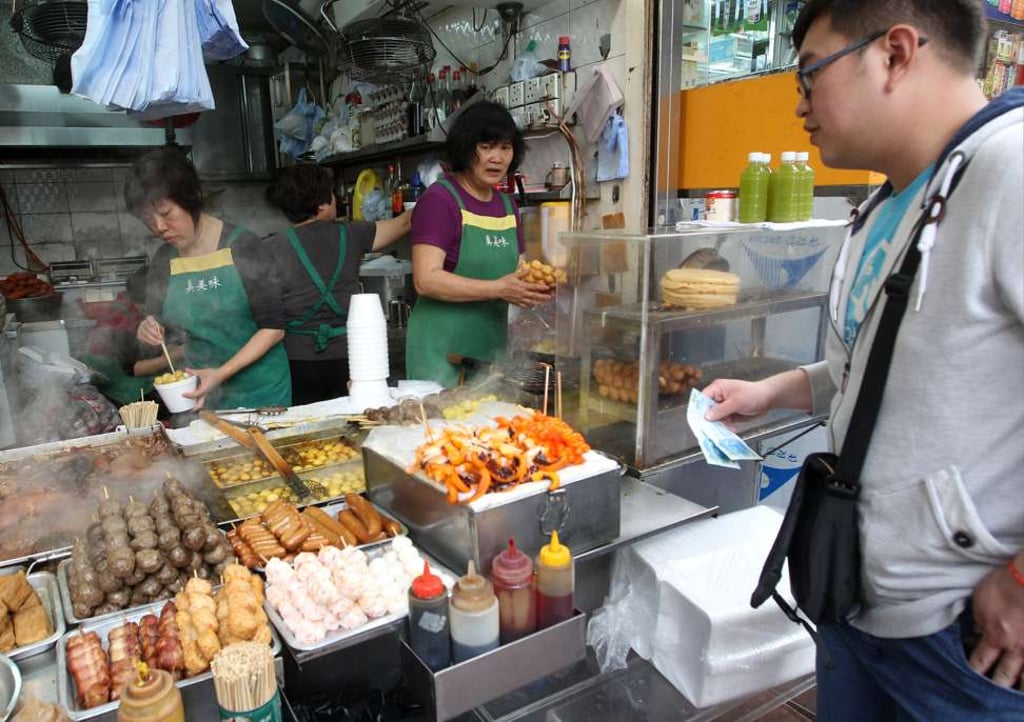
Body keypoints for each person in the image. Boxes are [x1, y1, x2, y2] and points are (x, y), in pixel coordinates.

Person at [702, 2, 1024, 718]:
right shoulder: (887, 203)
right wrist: (772, 393)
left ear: (896, 52)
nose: (798, 106)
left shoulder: (1010, 170)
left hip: (960, 639)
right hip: (853, 602)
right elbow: (881, 370)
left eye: (809, 76)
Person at [127, 147, 291, 410]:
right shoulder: (163, 259)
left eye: (167, 214)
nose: (159, 227)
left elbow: (274, 329)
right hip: (200, 393)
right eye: (149, 219)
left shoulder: (243, 245)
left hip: (261, 392)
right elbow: (159, 323)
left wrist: (221, 373)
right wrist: (148, 328)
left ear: (191, 198)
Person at [405, 100, 552, 387]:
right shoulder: (440, 200)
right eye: (486, 147)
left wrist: (536, 287)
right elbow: (426, 280)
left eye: (505, 147)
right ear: (465, 148)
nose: (497, 158)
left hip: (488, 352)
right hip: (440, 354)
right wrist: (499, 288)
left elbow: (517, 270)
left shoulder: (508, 206)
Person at [268, 164, 411, 405]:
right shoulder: (352, 233)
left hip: (296, 361)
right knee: (354, 422)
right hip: (351, 356)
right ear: (322, 203)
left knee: (308, 430)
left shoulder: (272, 246)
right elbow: (405, 223)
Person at [78, 265, 183, 407]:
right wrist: (175, 356)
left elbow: (159, 343)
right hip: (119, 386)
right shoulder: (121, 320)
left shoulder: (134, 303)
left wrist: (173, 349)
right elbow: (135, 369)